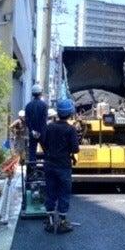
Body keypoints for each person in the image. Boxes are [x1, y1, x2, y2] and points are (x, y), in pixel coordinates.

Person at [42, 98, 79, 233]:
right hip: (63, 165)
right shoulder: (71, 129)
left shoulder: (49, 127)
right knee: (64, 193)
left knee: (50, 192)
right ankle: (63, 222)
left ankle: (50, 222)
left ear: (58, 112)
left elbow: (43, 142)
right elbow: (75, 149)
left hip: (49, 164)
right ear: (69, 113)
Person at [25, 84, 48, 163]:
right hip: (42, 133)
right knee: (47, 152)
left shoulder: (28, 106)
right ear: (41, 93)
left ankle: (32, 171)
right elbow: (43, 120)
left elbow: (27, 120)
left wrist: (32, 131)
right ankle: (46, 170)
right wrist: (40, 132)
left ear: (32, 93)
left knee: (32, 152)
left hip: (32, 133)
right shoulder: (44, 105)